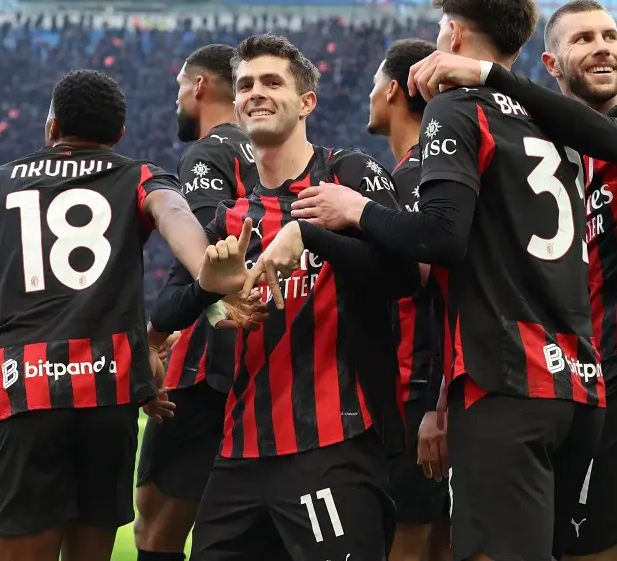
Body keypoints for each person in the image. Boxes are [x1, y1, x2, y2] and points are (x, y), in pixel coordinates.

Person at [290, 0, 605, 561]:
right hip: (577, 381)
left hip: (506, 380)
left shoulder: (456, 108)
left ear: (454, 36)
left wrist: (356, 209)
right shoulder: (553, 120)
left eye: (439, 32)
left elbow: (440, 236)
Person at [407, 0, 617, 561]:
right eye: (583, 39)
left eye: (610, 36)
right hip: (577, 379)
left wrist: (489, 74)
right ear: (550, 64)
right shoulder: (549, 151)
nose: (602, 48)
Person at [0, 69, 256, 561]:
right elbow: (173, 212)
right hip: (106, 400)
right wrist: (206, 268)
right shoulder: (140, 176)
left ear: (52, 127)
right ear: (119, 134)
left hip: (24, 398)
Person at [148, 34, 420, 561]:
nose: (256, 92)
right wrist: (211, 290)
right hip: (239, 455)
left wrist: (310, 235)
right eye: (246, 84)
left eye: (273, 82)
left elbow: (404, 276)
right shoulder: (231, 217)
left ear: (306, 102)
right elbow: (165, 309)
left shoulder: (347, 174)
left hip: (334, 445)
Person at [135, 44, 258, 561]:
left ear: (200, 86)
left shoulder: (208, 153)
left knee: (155, 525)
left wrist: (159, 333)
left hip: (207, 369)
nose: (177, 99)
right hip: (262, 364)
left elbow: (208, 252)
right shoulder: (267, 151)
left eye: (180, 87)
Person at [366, 37, 452, 561]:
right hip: (433, 389)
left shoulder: (416, 175)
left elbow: (420, 273)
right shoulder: (429, 171)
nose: (370, 94)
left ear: (394, 90)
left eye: (375, 83)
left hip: (416, 388)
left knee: (404, 539)